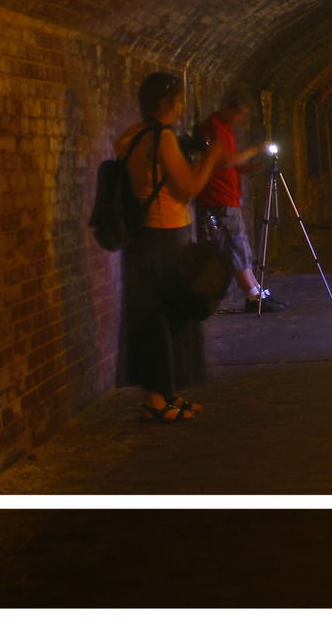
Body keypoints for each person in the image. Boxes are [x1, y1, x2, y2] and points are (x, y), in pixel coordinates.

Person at [116, 72, 232, 422]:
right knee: (167, 314)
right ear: (167, 104)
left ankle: (163, 393)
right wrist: (212, 159)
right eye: (179, 100)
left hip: (142, 236)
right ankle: (156, 400)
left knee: (154, 314)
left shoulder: (130, 137)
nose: (182, 106)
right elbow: (188, 187)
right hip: (167, 234)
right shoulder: (162, 138)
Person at [196, 90, 283, 312]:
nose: (241, 120)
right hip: (218, 198)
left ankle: (258, 292)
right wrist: (255, 150)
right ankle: (253, 297)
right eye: (241, 115)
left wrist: (246, 169)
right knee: (235, 246)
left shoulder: (225, 129)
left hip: (228, 197)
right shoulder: (214, 128)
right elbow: (224, 162)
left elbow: (225, 164)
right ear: (231, 109)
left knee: (241, 246)